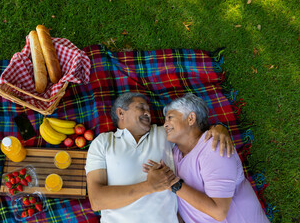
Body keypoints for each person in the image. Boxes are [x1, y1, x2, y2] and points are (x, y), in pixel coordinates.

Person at [85, 92, 233, 223]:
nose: (148, 113)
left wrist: (219, 128)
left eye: (148, 110)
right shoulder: (103, 142)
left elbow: (192, 132)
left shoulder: (164, 134)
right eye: (141, 107)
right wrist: (149, 186)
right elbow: (97, 201)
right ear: (121, 112)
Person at [144, 93, 269, 222]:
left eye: (170, 117)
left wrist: (172, 183)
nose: (165, 124)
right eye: (165, 120)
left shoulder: (214, 148)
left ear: (191, 118)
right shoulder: (174, 154)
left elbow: (219, 212)